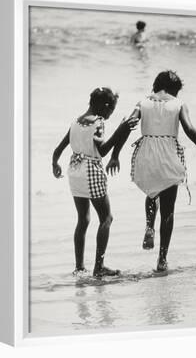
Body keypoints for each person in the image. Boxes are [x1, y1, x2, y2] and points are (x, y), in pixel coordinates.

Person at [110, 70, 196, 271]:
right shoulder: (179, 104)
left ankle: (149, 226)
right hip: (168, 154)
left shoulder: (142, 102)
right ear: (174, 89)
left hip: (146, 153)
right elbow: (189, 129)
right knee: (168, 210)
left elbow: (127, 126)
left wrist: (115, 154)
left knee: (152, 192)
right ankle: (162, 258)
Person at [52, 87, 138, 277]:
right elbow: (103, 150)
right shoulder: (98, 123)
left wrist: (55, 163)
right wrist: (121, 129)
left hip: (74, 170)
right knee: (106, 218)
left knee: (83, 219)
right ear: (105, 106)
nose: (110, 115)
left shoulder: (75, 121)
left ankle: (79, 267)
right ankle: (99, 267)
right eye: (111, 110)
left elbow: (58, 149)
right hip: (91, 170)